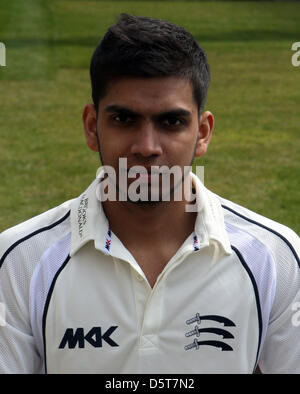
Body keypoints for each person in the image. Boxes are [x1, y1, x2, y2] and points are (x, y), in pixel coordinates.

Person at [0, 13, 299, 375]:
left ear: (202, 133)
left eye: (171, 121)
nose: (147, 146)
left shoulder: (276, 259)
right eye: (124, 119)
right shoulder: (19, 262)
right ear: (92, 127)